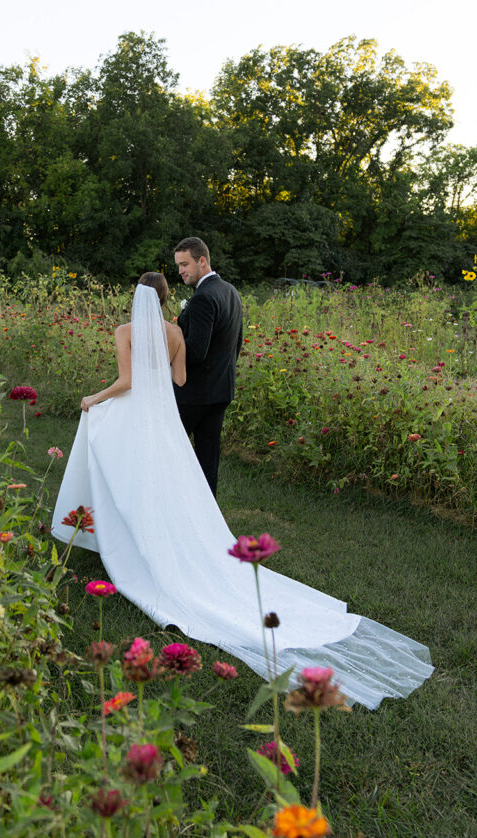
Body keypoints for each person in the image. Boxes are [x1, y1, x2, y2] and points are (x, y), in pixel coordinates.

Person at [51, 274, 434, 709]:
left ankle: (121, 538)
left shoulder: (124, 332)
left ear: (134, 297)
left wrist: (91, 398)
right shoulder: (176, 332)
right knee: (168, 484)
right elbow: (178, 381)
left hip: (134, 415)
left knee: (121, 472)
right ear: (163, 299)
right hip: (163, 422)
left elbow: (126, 382)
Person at [173, 237, 242, 497]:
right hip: (221, 390)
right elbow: (237, 343)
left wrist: (166, 358)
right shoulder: (230, 291)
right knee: (208, 460)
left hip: (195, 394)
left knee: (168, 450)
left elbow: (196, 351)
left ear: (202, 261)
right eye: (178, 266)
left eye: (185, 264)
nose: (180, 271)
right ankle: (208, 518)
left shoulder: (203, 297)